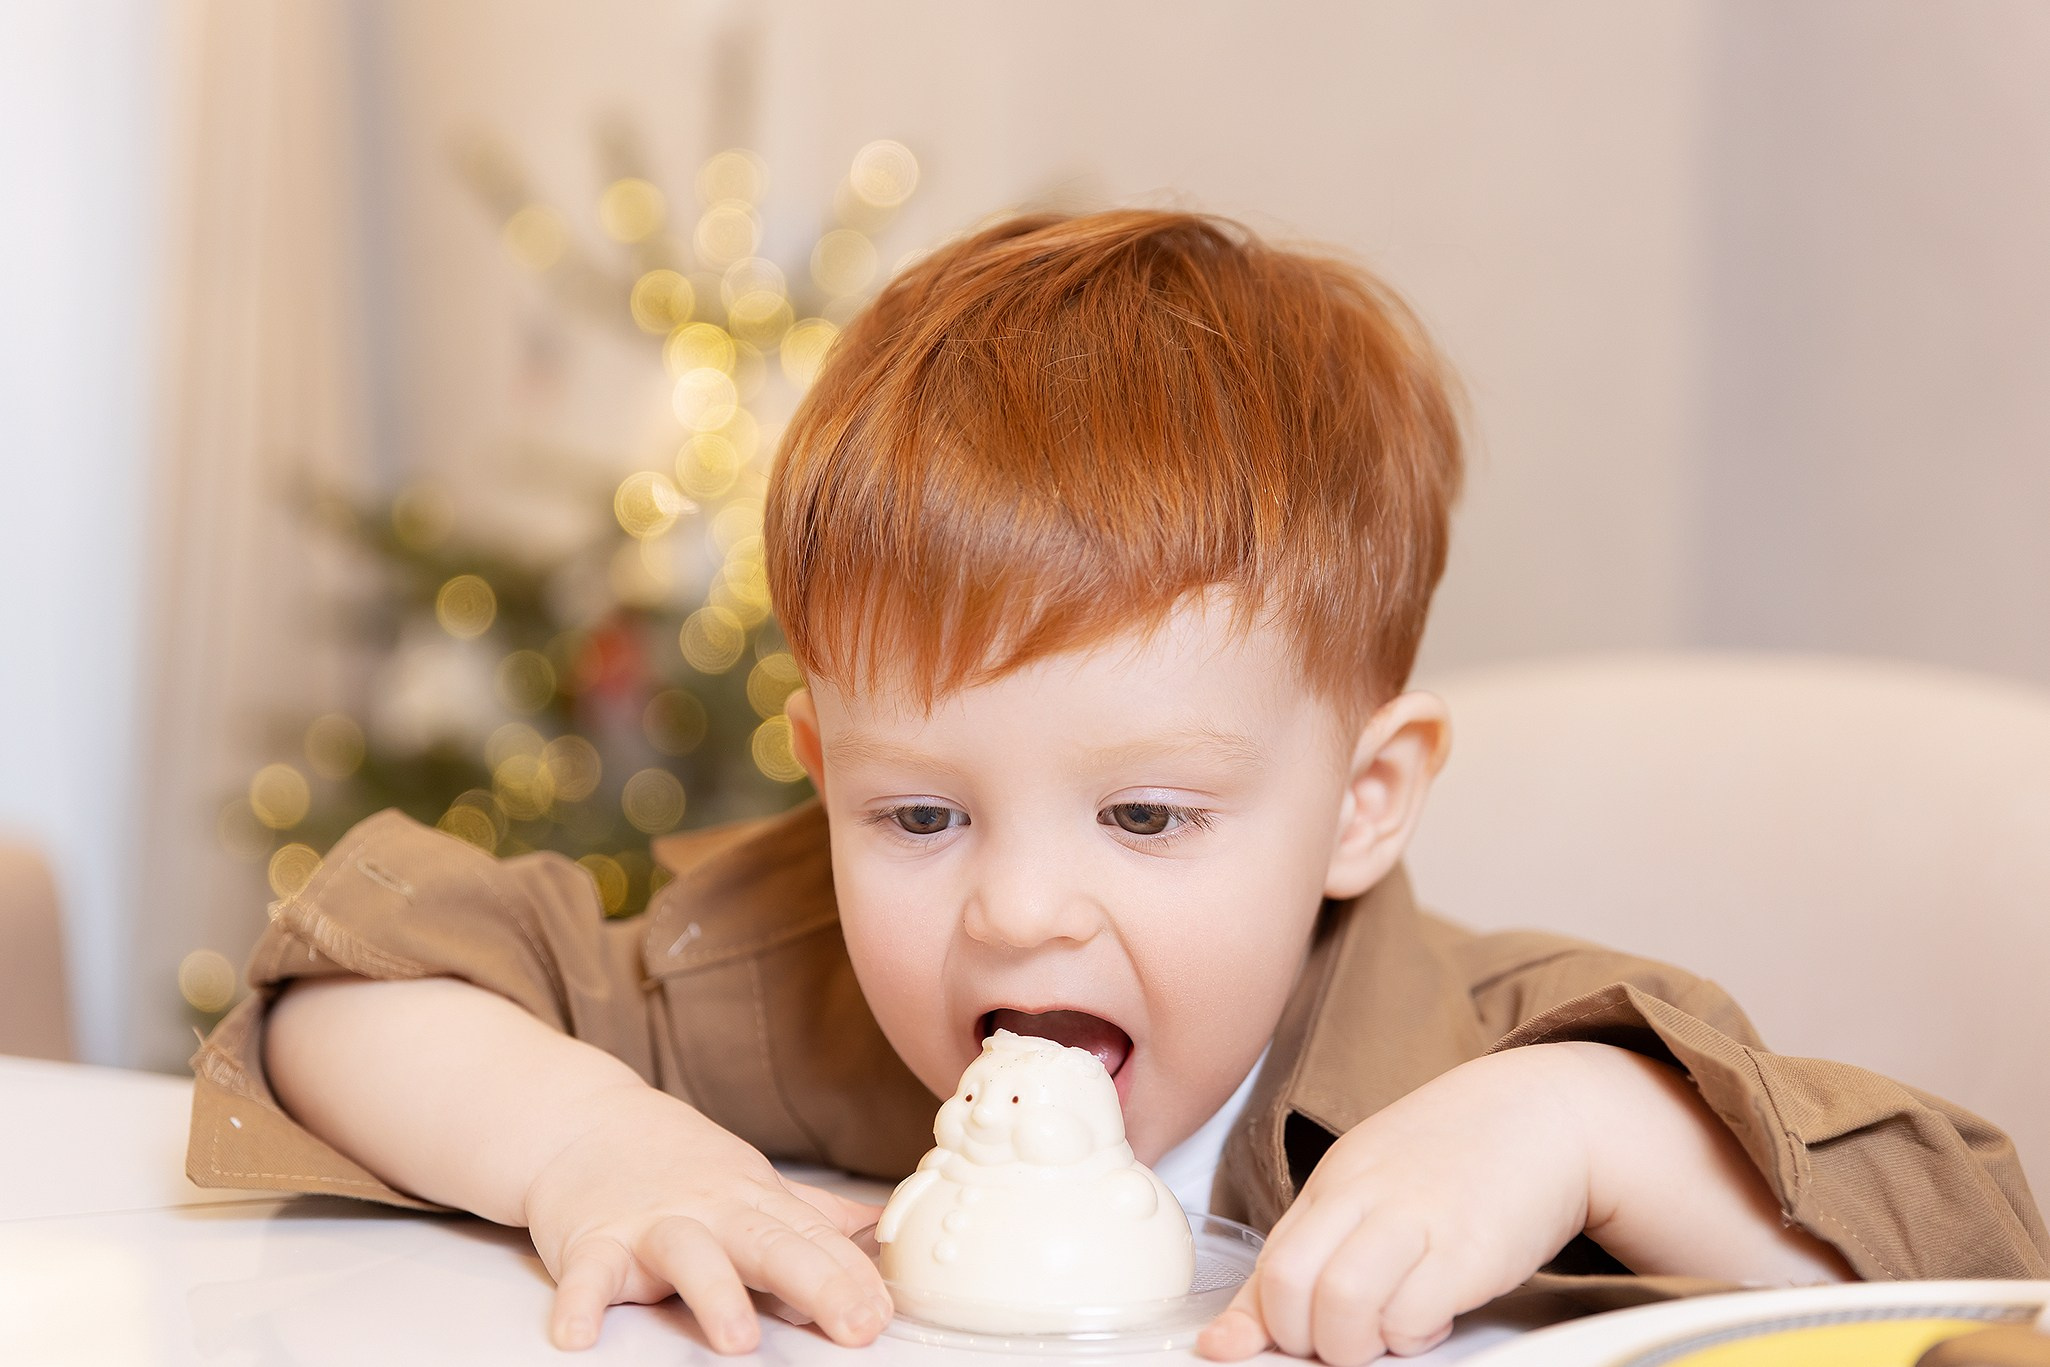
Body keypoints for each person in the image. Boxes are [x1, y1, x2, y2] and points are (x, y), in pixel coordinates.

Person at [187, 209, 2049, 1366]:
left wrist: (1601, 1133)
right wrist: (593, 1151)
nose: (1012, 910)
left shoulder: (1477, 1073)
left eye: (1145, 817)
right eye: (919, 815)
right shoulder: (779, 983)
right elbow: (347, 986)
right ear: (824, 776)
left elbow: (1980, 1274)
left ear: (1360, 803)